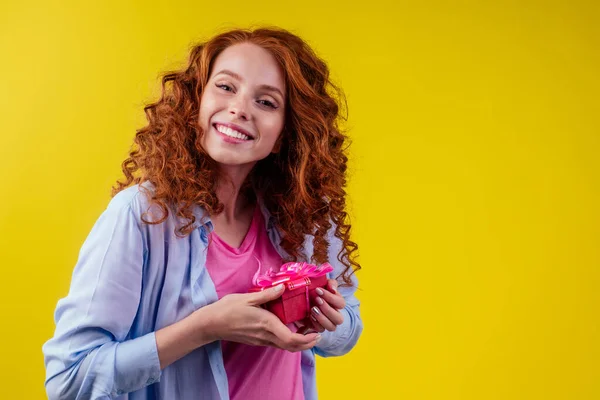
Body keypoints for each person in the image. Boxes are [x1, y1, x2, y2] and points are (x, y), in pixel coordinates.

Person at [43, 27, 363, 400]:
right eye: (226, 87)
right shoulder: (142, 215)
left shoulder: (302, 213)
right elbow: (69, 380)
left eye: (267, 102)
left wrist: (322, 319)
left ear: (285, 134)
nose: (240, 108)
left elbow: (346, 331)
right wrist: (205, 327)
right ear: (196, 99)